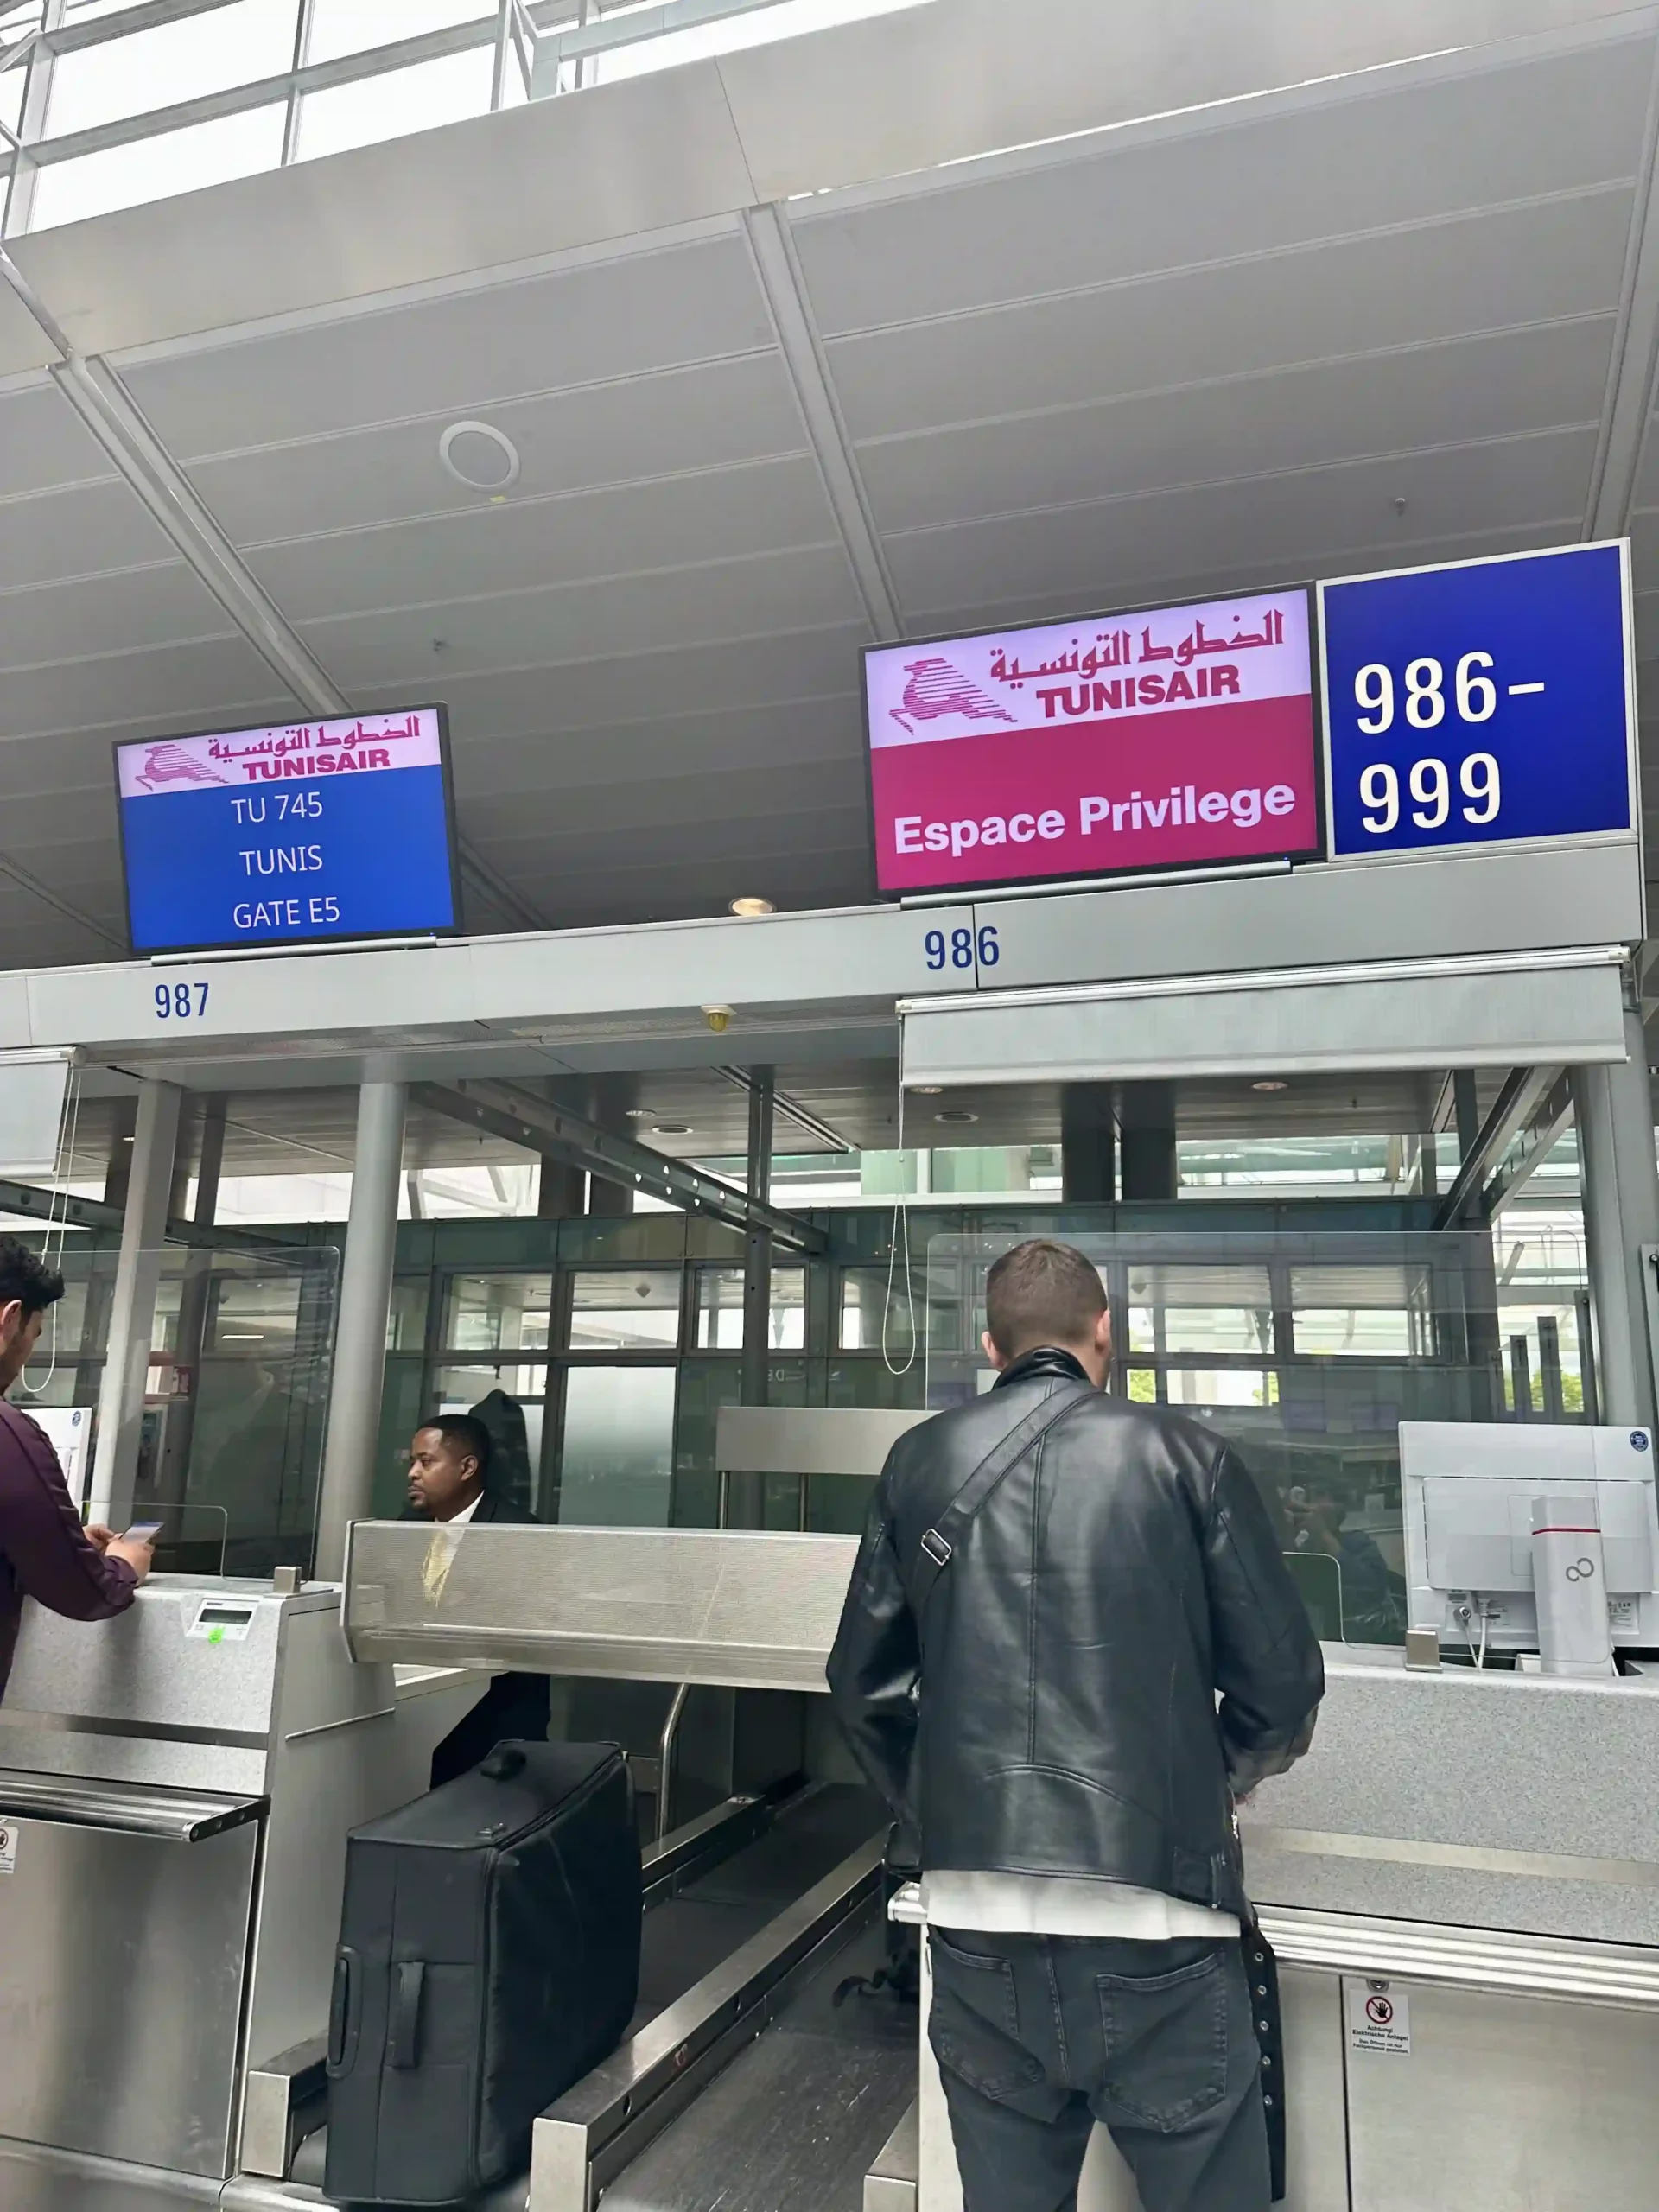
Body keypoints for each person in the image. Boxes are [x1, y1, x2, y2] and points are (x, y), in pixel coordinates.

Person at [828, 1238, 1325, 2212]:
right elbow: (1283, 1684)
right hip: (1162, 1924)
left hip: (975, 1926)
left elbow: (862, 1689)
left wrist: (947, 1806)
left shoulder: (918, 1461)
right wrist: (1211, 1778)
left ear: (989, 1344)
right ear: (1107, 1332)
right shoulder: (1189, 1457)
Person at [0, 1237, 153, 1702]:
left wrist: (57, 1541)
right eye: (34, 1334)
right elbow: (85, 1592)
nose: (27, 1351)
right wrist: (125, 1564)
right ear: (9, 1320)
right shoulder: (9, 1438)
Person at [404, 1414, 550, 1788]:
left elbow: (523, 1641)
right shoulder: (403, 1529)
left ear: (467, 1467)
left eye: (426, 1461)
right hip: (416, 1718)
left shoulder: (516, 1533)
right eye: (412, 1462)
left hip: (492, 1730)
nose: (413, 1474)